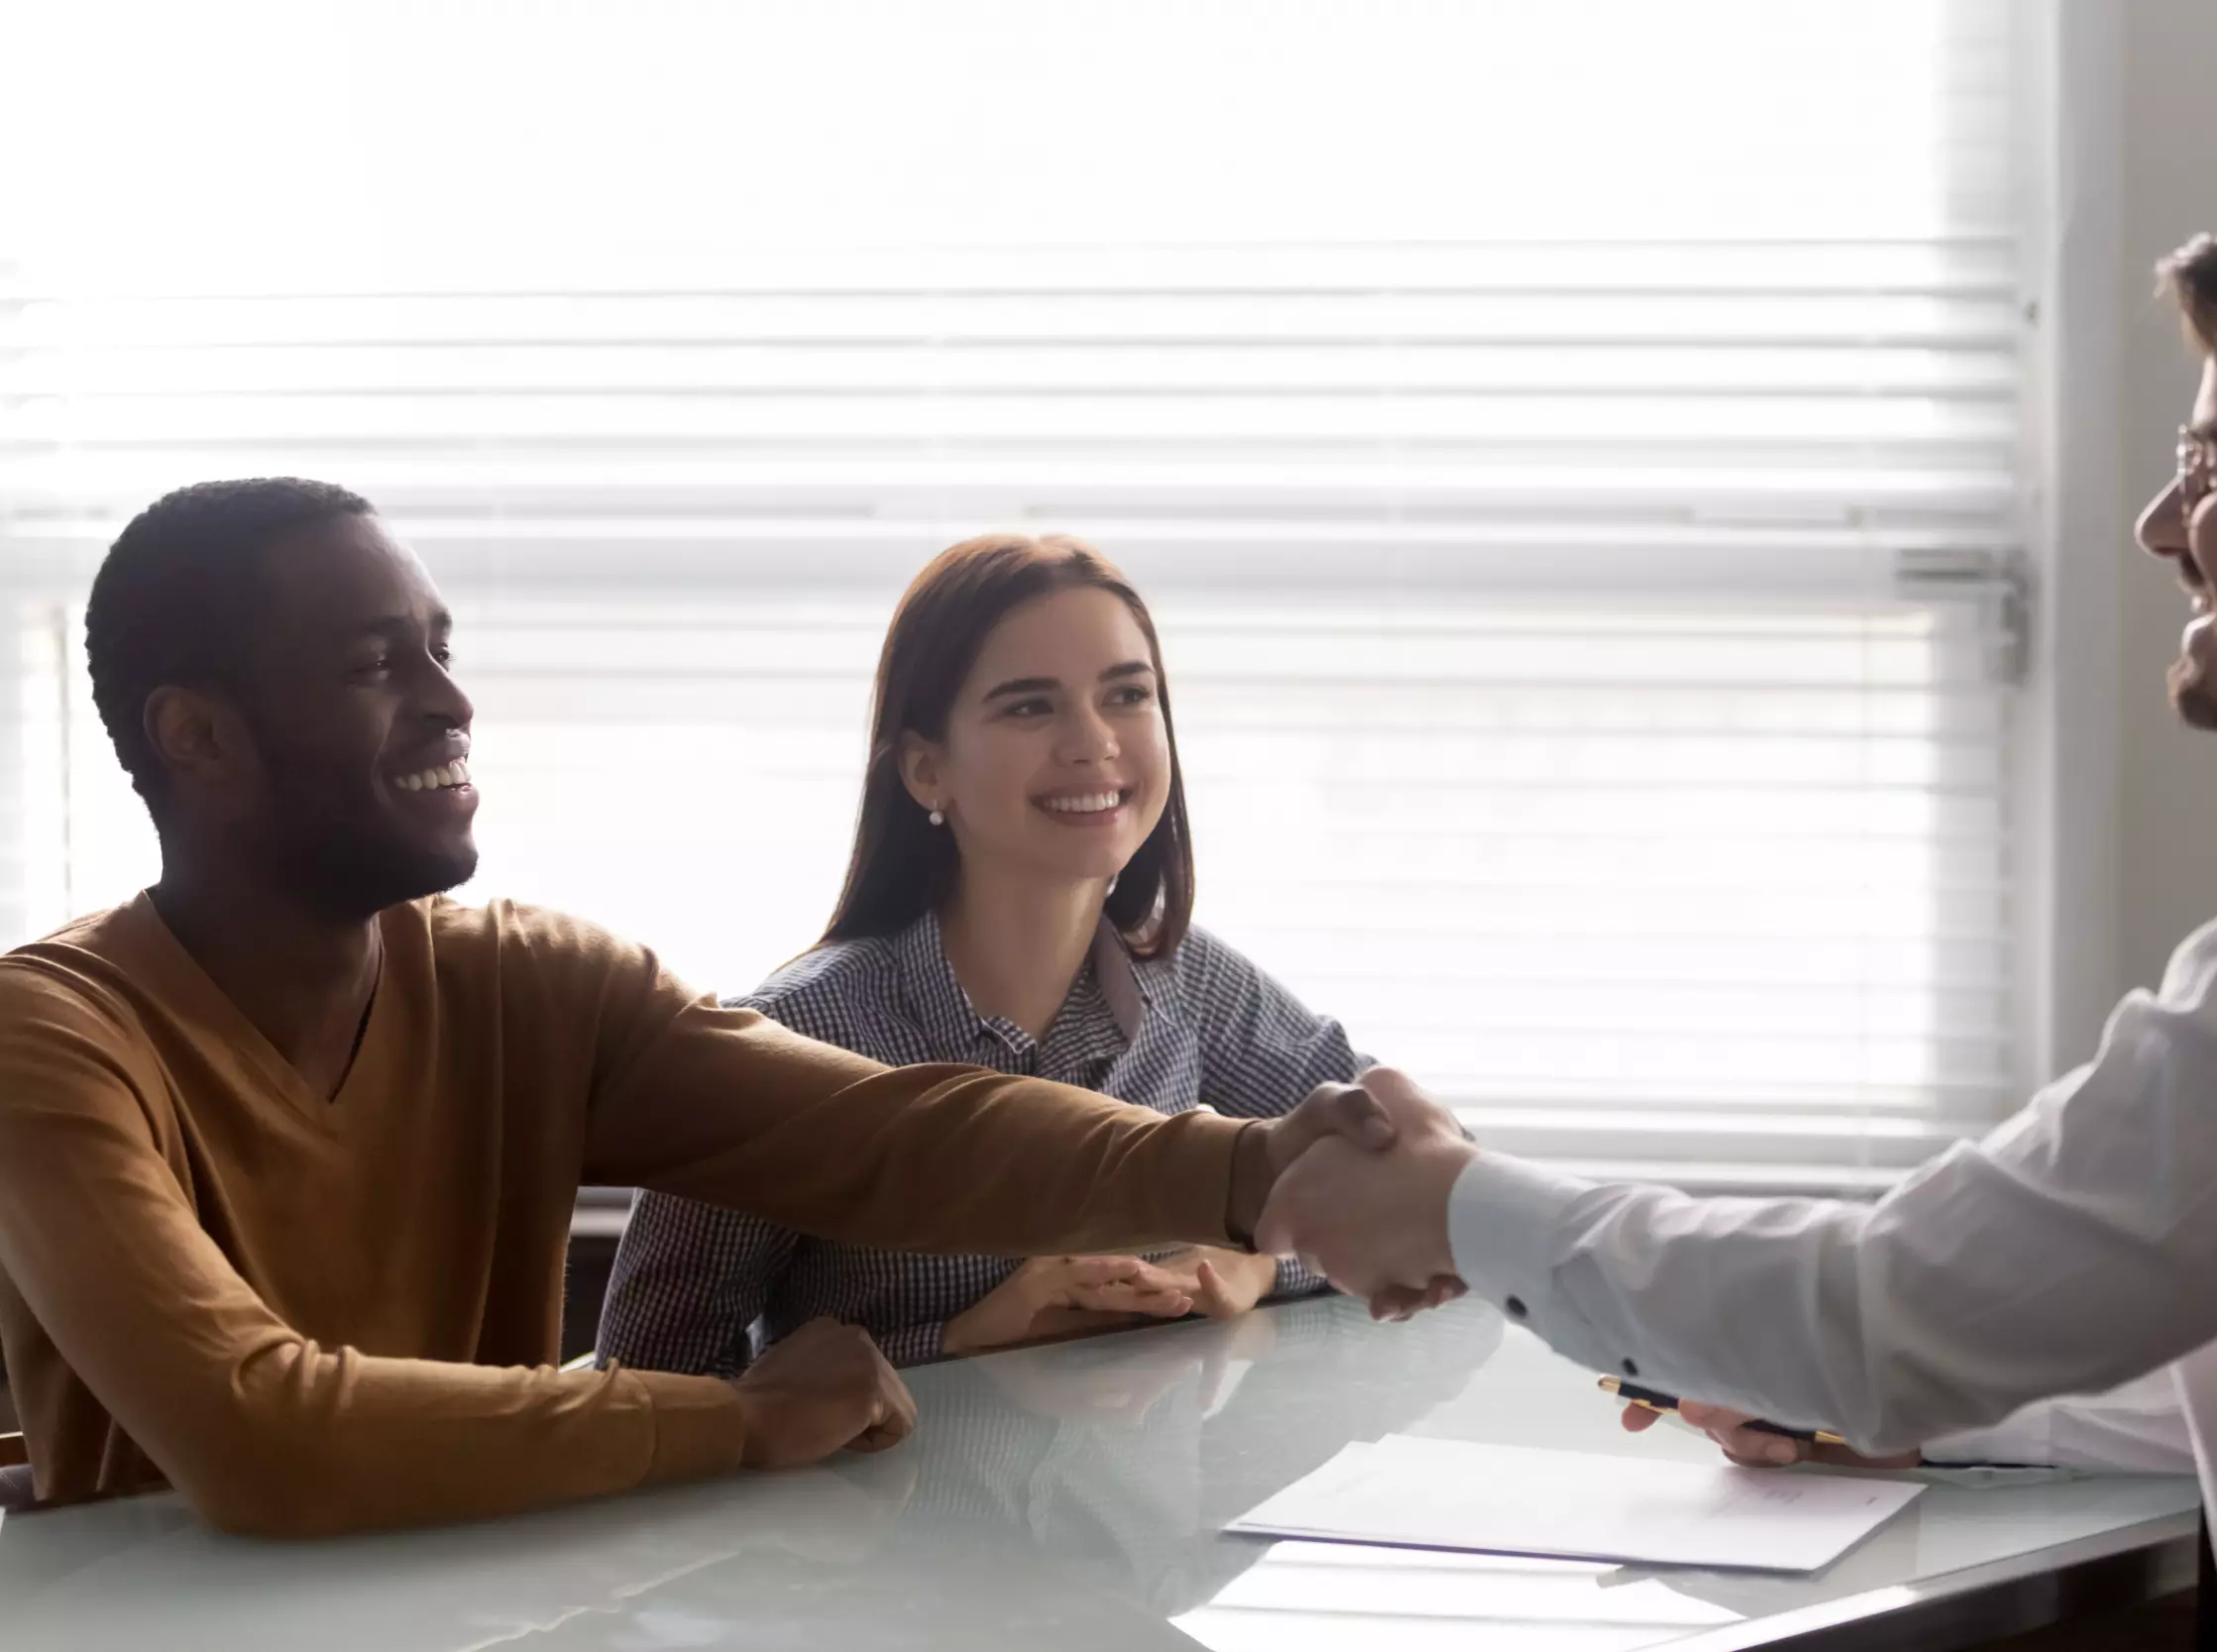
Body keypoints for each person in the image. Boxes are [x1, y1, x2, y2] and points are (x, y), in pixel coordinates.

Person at [1261, 207, 2217, 1652]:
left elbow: (1892, 1304)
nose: (2161, 527)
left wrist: (1452, 1203)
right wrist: (1911, 1409)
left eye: (2209, 470)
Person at [0, 483, 1391, 1538]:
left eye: (440, 647)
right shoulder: (51, 1036)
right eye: (378, 665)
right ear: (197, 737)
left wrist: (1256, 1169)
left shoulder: (532, 981)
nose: (452, 699)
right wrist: (734, 1417)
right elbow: (262, 1431)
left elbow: (892, 1130)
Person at [600, 535, 1369, 1376]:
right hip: (872, 1509)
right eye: (1030, 707)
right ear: (928, 770)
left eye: (1126, 695)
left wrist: (1255, 1264)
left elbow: (1410, 1174)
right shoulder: (790, 1037)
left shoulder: (1189, 983)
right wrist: (966, 1343)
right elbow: (642, 1384)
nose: (1093, 742)